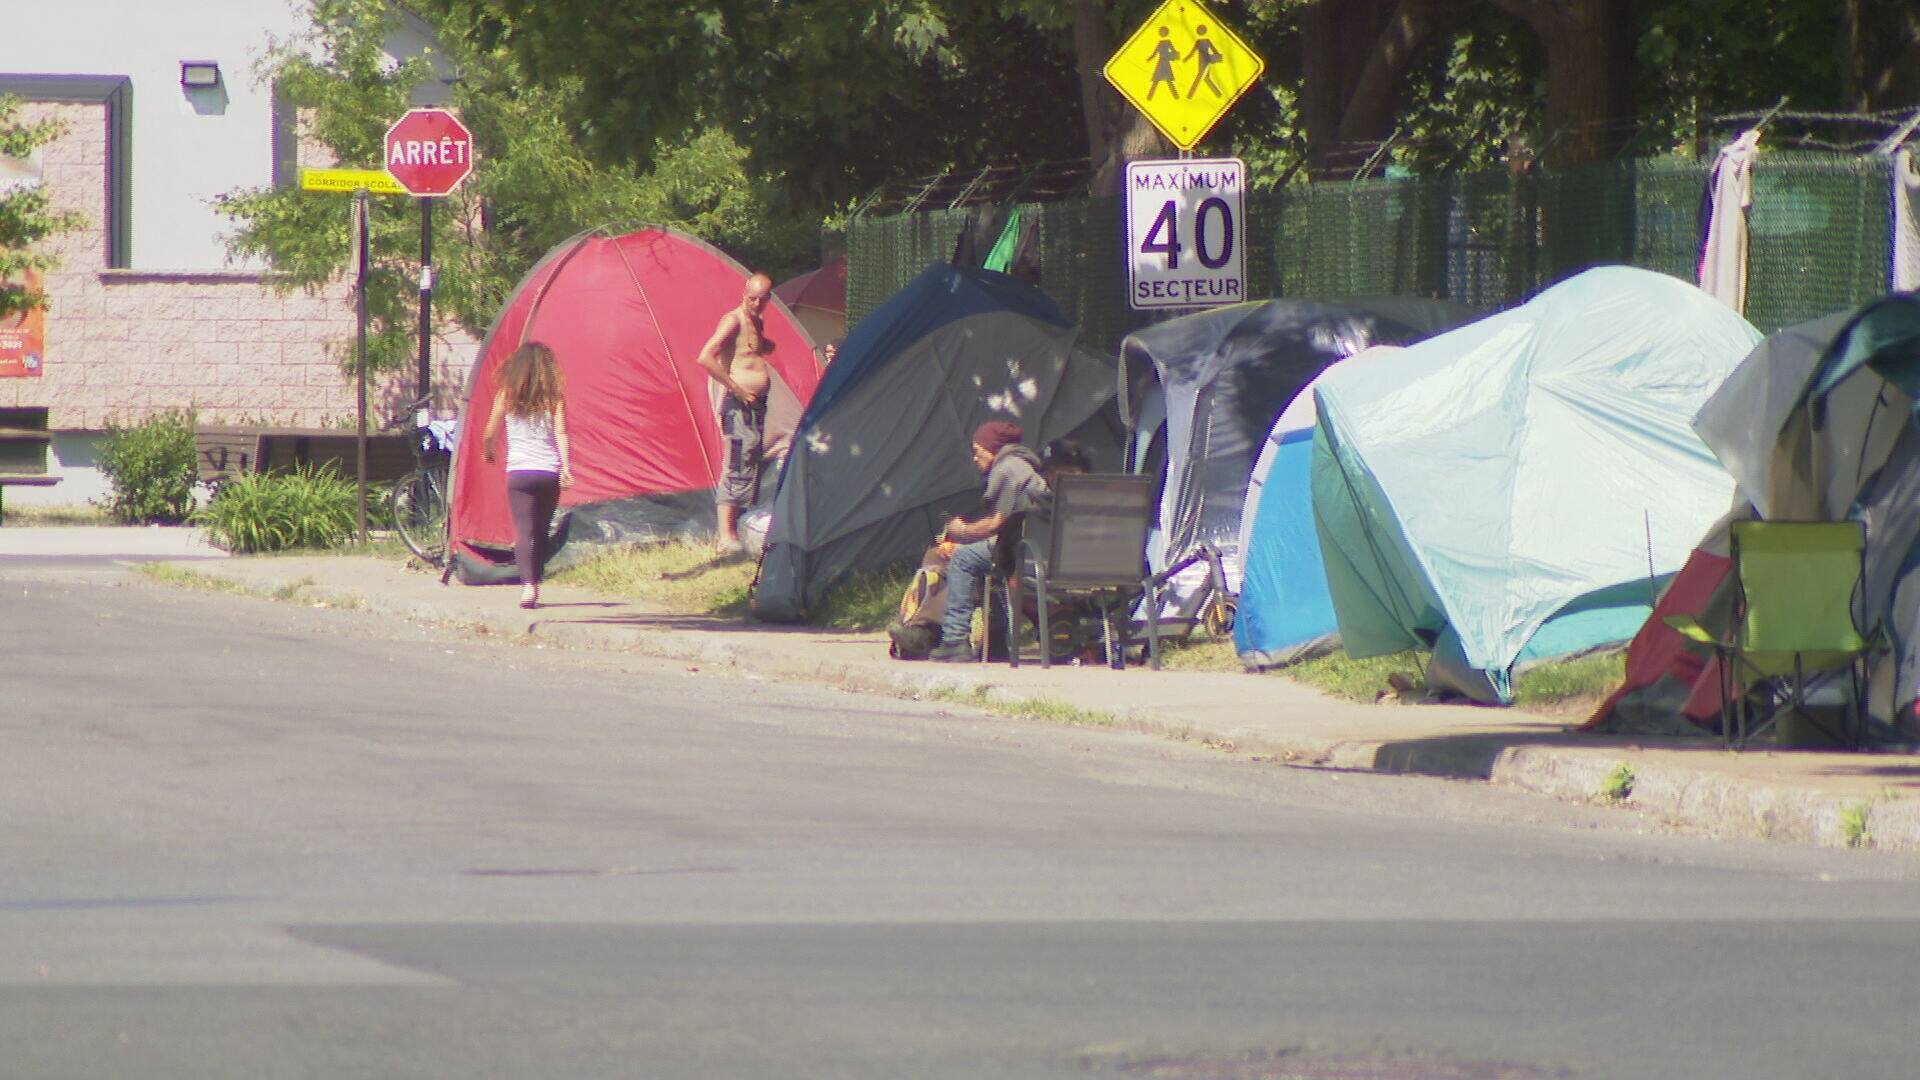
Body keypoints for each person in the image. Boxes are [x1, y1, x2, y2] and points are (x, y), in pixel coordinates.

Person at [928, 420, 1046, 662]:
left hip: (1023, 551)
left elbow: (995, 524)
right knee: (982, 556)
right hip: (1044, 551)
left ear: (992, 448)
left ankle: (954, 639)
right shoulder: (1026, 468)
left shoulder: (1008, 469)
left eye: (977, 451)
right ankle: (995, 641)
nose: (974, 458)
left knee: (963, 558)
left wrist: (962, 531)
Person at [480, 341, 574, 609]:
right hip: (548, 471)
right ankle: (537, 578)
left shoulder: (506, 395)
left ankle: (528, 587)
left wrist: (488, 451)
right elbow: (561, 434)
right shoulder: (553, 397)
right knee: (541, 530)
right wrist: (565, 467)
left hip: (519, 472)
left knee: (524, 531)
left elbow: (490, 432)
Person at [698, 271, 775, 553]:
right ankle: (725, 535)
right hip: (738, 403)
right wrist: (738, 389)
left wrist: (765, 347)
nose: (755, 304)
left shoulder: (758, 320)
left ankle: (742, 527)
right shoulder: (733, 320)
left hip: (757, 404)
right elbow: (705, 357)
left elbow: (748, 351)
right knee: (736, 461)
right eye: (751, 298)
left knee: (751, 458)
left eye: (762, 300)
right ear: (744, 294)